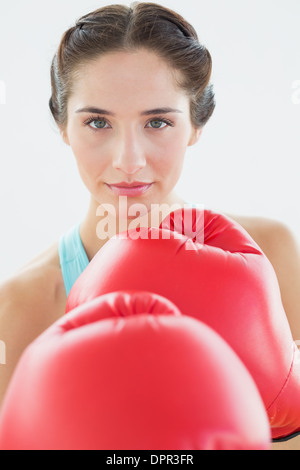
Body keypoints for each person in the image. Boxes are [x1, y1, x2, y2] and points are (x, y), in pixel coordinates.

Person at [0, 1, 299, 450]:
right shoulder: (19, 307)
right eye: (97, 122)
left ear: (196, 124)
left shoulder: (270, 252)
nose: (129, 161)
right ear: (63, 125)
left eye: (158, 121)